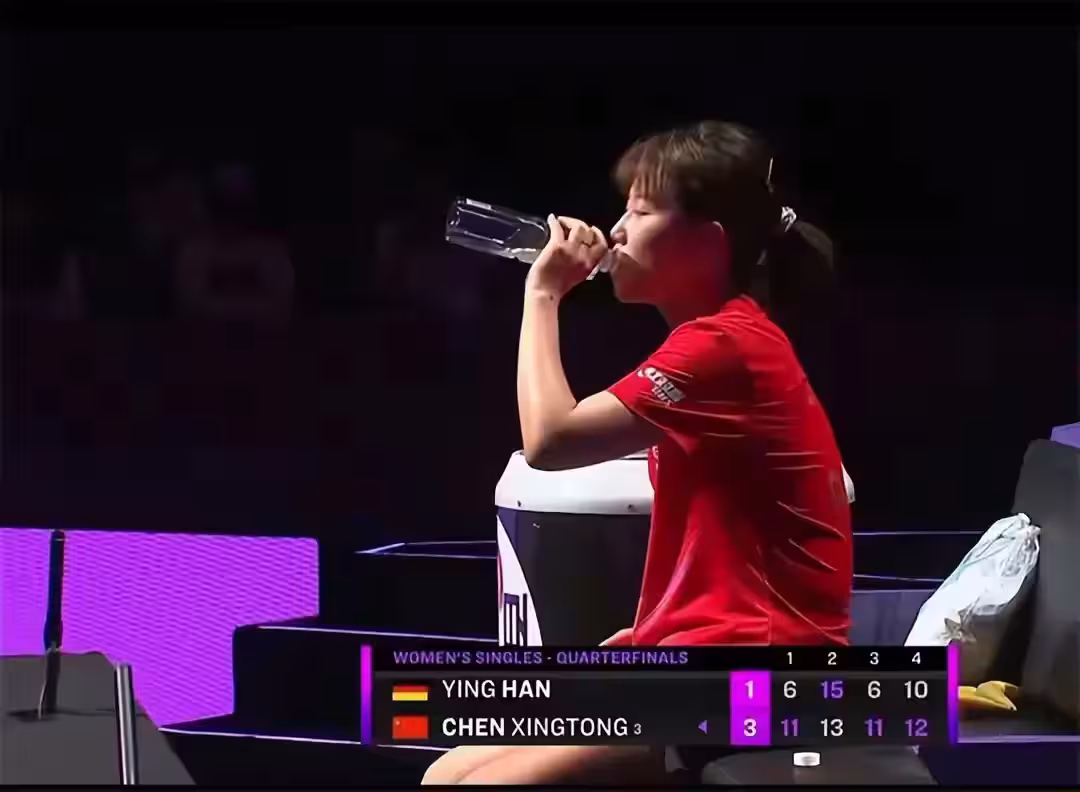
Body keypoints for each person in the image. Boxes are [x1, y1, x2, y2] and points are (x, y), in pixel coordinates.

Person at [421, 120, 853, 785]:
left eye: (641, 212)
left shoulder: (725, 347)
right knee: (446, 774)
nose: (615, 231)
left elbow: (549, 440)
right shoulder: (716, 340)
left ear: (707, 243)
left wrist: (543, 293)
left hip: (763, 673)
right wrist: (651, 637)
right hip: (701, 655)